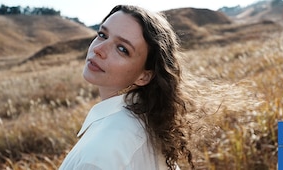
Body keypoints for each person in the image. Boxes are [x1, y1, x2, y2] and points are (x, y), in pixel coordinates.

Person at [59, 5, 194, 170]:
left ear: (144, 76)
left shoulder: (98, 157)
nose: (98, 49)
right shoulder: (147, 122)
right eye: (102, 35)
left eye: (122, 49)